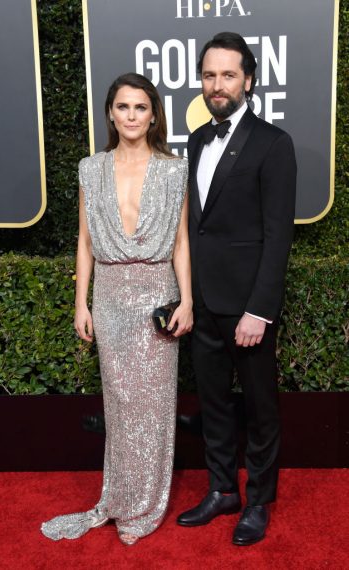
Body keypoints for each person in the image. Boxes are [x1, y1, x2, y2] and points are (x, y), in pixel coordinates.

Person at [41, 73, 193, 546]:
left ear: (153, 116)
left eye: (140, 108)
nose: (131, 115)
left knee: (154, 406)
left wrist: (187, 299)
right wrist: (79, 301)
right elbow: (85, 242)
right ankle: (120, 496)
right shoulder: (91, 168)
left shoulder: (174, 170)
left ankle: (145, 505)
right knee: (123, 405)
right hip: (108, 296)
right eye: (123, 107)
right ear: (110, 112)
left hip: (156, 295)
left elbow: (181, 242)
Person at [177, 32, 296, 546]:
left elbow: (278, 236)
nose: (217, 84)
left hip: (247, 308)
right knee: (215, 404)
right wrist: (185, 295)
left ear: (248, 79)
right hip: (201, 301)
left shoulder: (273, 143)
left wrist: (260, 310)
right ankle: (223, 489)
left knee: (261, 409)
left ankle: (258, 502)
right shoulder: (197, 140)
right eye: (208, 75)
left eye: (227, 74)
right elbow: (195, 226)